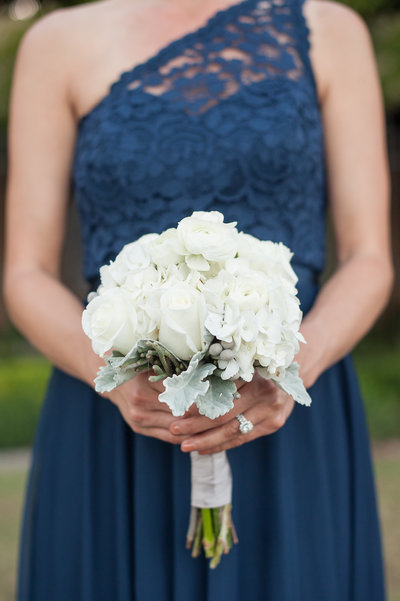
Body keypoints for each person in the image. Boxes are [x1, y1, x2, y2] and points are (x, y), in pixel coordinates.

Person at [3, 0, 393, 599]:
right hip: (113, 417)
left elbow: (369, 259)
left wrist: (291, 368)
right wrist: (109, 375)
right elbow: (24, 273)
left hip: (287, 416)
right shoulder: (56, 42)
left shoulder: (329, 28)